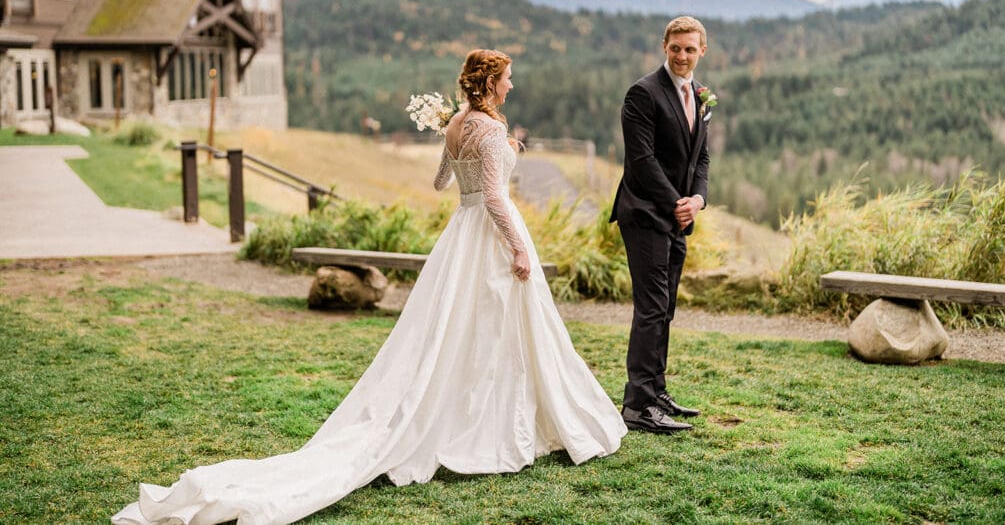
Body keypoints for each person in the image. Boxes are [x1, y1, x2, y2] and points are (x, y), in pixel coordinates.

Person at [113, 49, 626, 525]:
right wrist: (517, 245)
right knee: (498, 329)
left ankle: (485, 413)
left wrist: (492, 149)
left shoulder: (455, 124)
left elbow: (442, 183)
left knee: (463, 330)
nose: (513, 85)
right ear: (490, 82)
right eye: (508, 78)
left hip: (460, 236)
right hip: (491, 238)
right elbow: (493, 194)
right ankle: (495, 425)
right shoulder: (488, 131)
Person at [610, 16, 712, 435]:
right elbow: (642, 160)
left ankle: (656, 391)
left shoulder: (700, 96)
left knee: (665, 307)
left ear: (702, 50)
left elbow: (700, 159)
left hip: (677, 216)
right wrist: (676, 203)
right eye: (675, 48)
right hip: (646, 214)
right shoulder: (642, 93)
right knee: (651, 309)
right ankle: (637, 406)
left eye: (690, 49)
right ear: (664, 47)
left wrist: (699, 200)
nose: (682, 56)